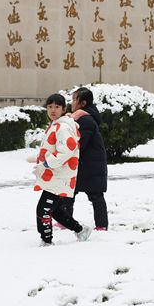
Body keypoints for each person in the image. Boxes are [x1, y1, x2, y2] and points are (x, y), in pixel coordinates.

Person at [27, 93, 92, 246]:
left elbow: (67, 149)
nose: (53, 110)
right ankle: (81, 230)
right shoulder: (56, 125)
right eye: (50, 107)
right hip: (55, 175)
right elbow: (53, 147)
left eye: (57, 107)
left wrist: (48, 163)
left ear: (63, 109)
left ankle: (47, 240)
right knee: (55, 210)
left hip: (59, 175)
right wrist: (41, 159)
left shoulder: (63, 127)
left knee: (43, 209)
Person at [63, 87, 109, 230]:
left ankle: (101, 226)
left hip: (90, 166)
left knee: (95, 195)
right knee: (69, 193)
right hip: (84, 164)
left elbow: (79, 143)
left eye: (74, 100)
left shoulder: (85, 120)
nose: (72, 103)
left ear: (83, 103)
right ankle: (65, 221)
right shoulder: (81, 117)